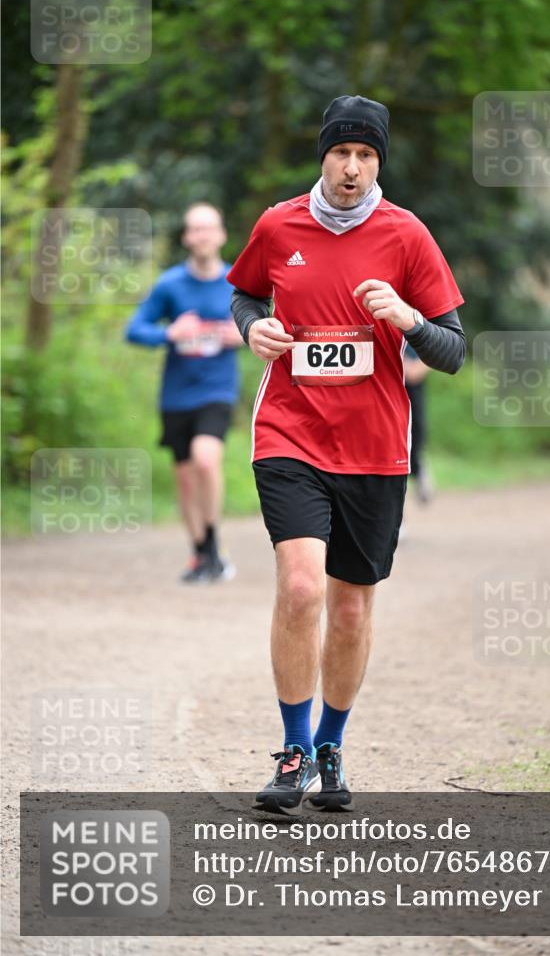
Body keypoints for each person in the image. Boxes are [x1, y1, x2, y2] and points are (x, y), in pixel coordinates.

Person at [229, 95, 466, 814]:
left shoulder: (406, 235)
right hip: (289, 431)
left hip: (372, 448)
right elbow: (241, 294)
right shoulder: (279, 224)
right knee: (301, 587)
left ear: (378, 163)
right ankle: (293, 748)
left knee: (352, 610)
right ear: (323, 156)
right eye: (342, 153)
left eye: (366, 156)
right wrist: (253, 330)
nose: (353, 168)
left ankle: (331, 747)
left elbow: (452, 350)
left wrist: (409, 319)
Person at [126, 202, 243, 580]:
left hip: (217, 389)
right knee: (185, 475)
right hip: (177, 394)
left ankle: (212, 543)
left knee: (206, 459)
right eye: (194, 229)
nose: (202, 236)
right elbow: (135, 329)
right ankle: (200, 555)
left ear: (221, 234)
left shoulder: (238, 284)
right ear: (186, 238)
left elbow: (270, 326)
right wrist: (169, 333)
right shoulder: (170, 284)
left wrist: (241, 335)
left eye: (208, 228)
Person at [404, 345, 433, 504]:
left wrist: (418, 367)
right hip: (388, 383)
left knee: (416, 433)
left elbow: (440, 347)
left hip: (414, 388)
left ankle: (419, 468)